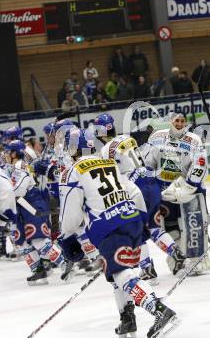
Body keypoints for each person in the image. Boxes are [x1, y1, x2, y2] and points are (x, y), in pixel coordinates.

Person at [58, 128, 179, 338]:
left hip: (108, 226)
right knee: (120, 273)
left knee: (119, 273)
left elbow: (71, 214)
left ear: (71, 148)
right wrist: (140, 220)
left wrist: (67, 238)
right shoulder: (108, 163)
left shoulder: (72, 171)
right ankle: (127, 318)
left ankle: (159, 310)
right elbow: (134, 191)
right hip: (130, 217)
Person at [94, 113, 187, 281]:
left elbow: (111, 176)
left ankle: (147, 269)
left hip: (136, 190)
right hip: (150, 182)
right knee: (154, 227)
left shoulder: (106, 150)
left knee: (136, 231)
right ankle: (176, 253)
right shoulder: (127, 138)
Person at [143, 113, 210, 276]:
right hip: (165, 191)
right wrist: (151, 185)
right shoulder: (157, 137)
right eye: (177, 121)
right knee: (170, 227)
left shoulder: (194, 139)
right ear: (170, 122)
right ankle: (178, 261)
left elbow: (200, 163)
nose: (180, 123)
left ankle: (199, 260)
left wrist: (190, 186)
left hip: (189, 188)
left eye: (183, 121)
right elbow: (148, 164)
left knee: (195, 224)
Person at [4, 140, 73, 284]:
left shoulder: (19, 166)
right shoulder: (13, 166)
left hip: (31, 204)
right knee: (22, 242)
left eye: (8, 151)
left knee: (39, 240)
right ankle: (38, 270)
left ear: (14, 153)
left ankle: (64, 262)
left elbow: (18, 190)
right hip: (21, 207)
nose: (5, 154)